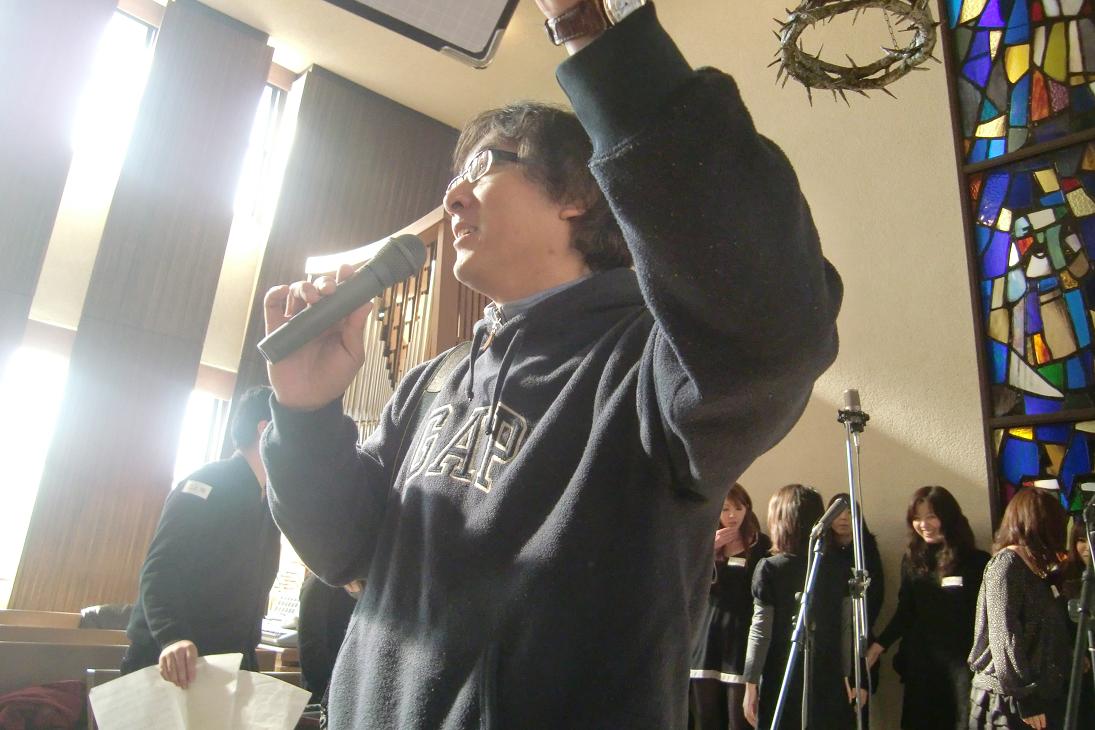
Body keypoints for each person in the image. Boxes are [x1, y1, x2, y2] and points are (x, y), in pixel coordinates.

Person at [260, 1, 842, 727]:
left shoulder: (652, 368)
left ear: (576, 195)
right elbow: (344, 550)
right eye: (454, 175)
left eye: (484, 165)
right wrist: (306, 416)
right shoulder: (430, 383)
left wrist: (595, 35)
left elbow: (773, 324)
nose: (453, 195)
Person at [121, 386, 281, 688]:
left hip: (227, 663)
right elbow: (160, 568)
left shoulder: (268, 501)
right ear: (265, 429)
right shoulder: (208, 483)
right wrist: (172, 637)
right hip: (173, 663)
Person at [865, 485, 987, 730]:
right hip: (922, 664)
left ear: (948, 517)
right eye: (917, 518)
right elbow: (906, 611)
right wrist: (878, 647)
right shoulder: (912, 560)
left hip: (963, 664)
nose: (923, 524)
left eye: (931, 516)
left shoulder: (976, 561)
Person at [742, 484, 852, 729]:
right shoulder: (838, 567)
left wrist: (750, 683)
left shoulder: (770, 568)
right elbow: (846, 627)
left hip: (782, 674)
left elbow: (761, 631)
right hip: (828, 672)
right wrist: (846, 674)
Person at [968, 488, 1072, 729]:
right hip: (1008, 698)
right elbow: (1003, 635)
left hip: (1038, 691)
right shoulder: (1006, 565)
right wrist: (1025, 697)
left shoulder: (1037, 567)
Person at [690, 483, 771, 730]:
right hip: (707, 637)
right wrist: (709, 551)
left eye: (738, 508)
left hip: (741, 638)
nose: (732, 515)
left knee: (740, 719)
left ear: (748, 509)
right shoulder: (704, 541)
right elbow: (689, 586)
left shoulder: (760, 544)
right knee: (706, 718)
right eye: (725, 509)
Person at [825, 492, 885, 727]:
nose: (843, 518)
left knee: (858, 712)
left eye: (850, 513)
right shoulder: (822, 551)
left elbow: (877, 594)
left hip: (860, 635)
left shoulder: (867, 549)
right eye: (839, 513)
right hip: (829, 638)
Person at [298, 572, 359, 704]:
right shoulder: (319, 583)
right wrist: (328, 695)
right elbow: (311, 649)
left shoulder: (361, 584)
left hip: (352, 691)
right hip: (325, 694)